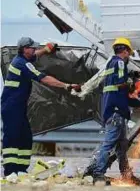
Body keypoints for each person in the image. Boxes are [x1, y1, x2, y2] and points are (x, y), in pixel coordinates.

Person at [1, 37, 81, 176]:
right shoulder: (21, 63)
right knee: (13, 136)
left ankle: (21, 169)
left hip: (18, 107)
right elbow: (43, 78)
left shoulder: (23, 59)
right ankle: (10, 171)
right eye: (32, 48)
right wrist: (67, 86)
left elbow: (35, 56)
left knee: (25, 137)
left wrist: (45, 50)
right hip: (11, 107)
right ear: (25, 49)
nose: (34, 50)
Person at [91, 37, 140, 185]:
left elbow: (118, 92)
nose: (129, 56)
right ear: (124, 51)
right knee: (109, 144)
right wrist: (132, 81)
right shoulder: (119, 63)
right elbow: (120, 84)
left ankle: (126, 175)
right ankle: (98, 173)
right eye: (129, 53)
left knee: (121, 147)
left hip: (115, 110)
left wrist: (135, 101)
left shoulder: (110, 64)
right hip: (116, 112)